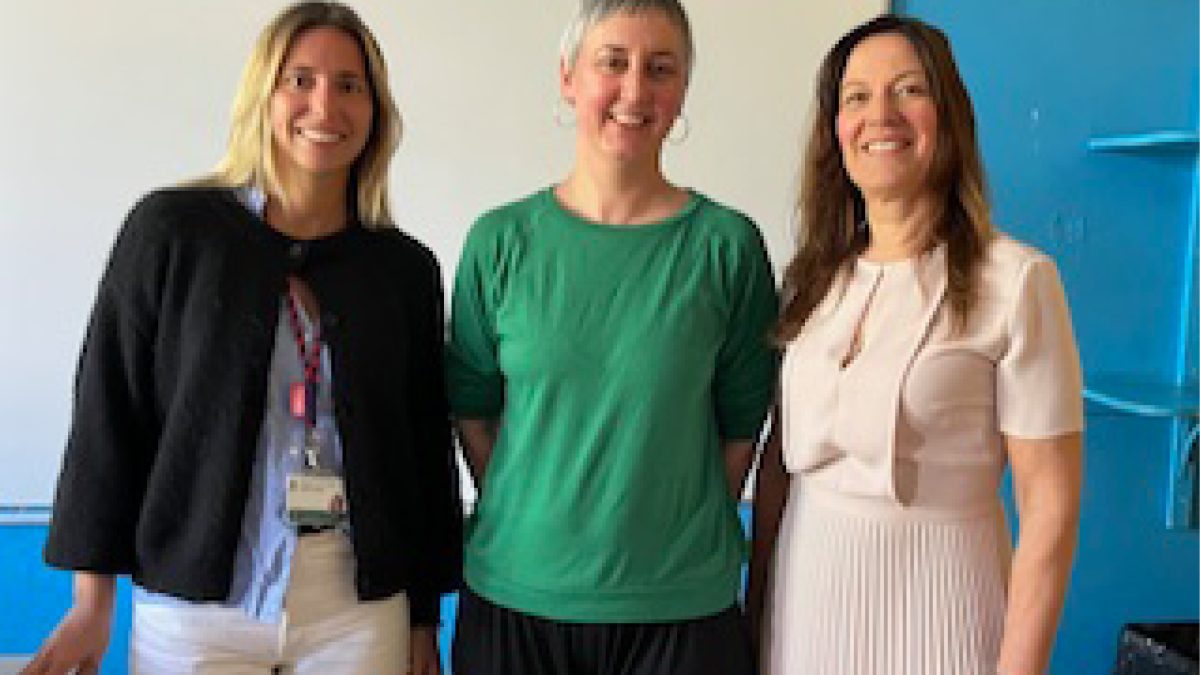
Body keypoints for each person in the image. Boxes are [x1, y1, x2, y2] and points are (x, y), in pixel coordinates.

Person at [24, 3, 461, 673]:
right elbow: (109, 413)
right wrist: (91, 603)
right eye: (300, 80)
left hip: (356, 612)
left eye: (350, 85)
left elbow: (423, 450)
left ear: (376, 110)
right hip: (196, 610)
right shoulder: (172, 232)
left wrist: (423, 620)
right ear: (264, 95)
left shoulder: (403, 269)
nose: (325, 105)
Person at [746, 14, 1084, 675]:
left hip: (945, 611)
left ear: (948, 115)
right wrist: (756, 611)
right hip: (804, 607)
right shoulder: (810, 282)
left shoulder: (1017, 282)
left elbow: (1050, 511)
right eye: (857, 97)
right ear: (835, 130)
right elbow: (779, 466)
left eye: (908, 89)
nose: (881, 116)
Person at [446, 1, 778, 673]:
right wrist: (538, 511)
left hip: (680, 610)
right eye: (613, 63)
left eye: (660, 69)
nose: (635, 90)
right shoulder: (500, 242)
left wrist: (659, 537)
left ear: (682, 90)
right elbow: (473, 412)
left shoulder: (727, 248)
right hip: (516, 602)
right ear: (568, 78)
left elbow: (741, 429)